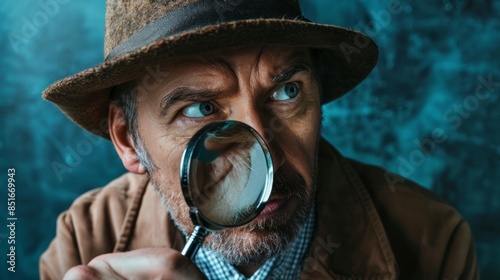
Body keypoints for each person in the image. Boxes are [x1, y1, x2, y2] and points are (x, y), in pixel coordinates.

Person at [40, 0, 479, 279]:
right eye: (200, 110)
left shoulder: (433, 241)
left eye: (287, 91)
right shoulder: (82, 243)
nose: (264, 155)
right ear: (127, 139)